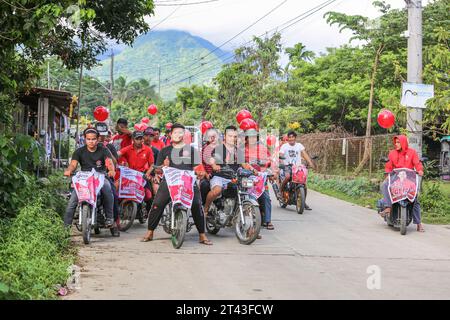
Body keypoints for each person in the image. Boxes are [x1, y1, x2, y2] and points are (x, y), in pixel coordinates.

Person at [141, 123, 212, 245]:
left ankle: (202, 234)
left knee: (196, 203)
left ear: (184, 135)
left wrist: (200, 172)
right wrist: (164, 165)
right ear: (170, 134)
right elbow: (157, 170)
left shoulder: (191, 150)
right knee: (158, 203)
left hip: (187, 182)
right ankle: (150, 231)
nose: (178, 135)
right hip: (169, 182)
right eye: (175, 132)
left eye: (180, 132)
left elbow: (198, 168)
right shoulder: (164, 151)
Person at [63, 128, 115, 228]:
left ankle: (109, 218)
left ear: (98, 139)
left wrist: (111, 170)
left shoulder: (103, 150)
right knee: (73, 199)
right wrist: (69, 170)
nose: (91, 141)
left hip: (100, 176)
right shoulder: (79, 151)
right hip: (84, 177)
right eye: (89, 139)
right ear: (85, 139)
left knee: (107, 188)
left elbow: (109, 162)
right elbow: (73, 165)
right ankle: (66, 227)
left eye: (93, 139)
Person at [380, 135, 424, 232]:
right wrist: (387, 174)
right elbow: (389, 165)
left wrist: (420, 170)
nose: (396, 144)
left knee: (415, 199)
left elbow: (417, 163)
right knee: (385, 184)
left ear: (403, 142)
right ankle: (388, 207)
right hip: (396, 178)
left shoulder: (412, 153)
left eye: (398, 142)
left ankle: (419, 224)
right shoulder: (392, 153)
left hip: (409, 179)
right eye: (395, 142)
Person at [244, 129, 273, 230]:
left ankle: (268, 220)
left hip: (261, 178)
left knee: (266, 197)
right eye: (249, 137)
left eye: (253, 137)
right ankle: (249, 219)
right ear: (246, 139)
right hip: (247, 178)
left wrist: (270, 169)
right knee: (248, 197)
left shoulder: (263, 148)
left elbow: (269, 161)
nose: (251, 139)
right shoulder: (242, 149)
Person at [278, 131, 316, 210]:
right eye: (290, 137)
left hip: (297, 167)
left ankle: (302, 201)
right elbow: (281, 155)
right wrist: (282, 163)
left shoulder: (299, 146)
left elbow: (304, 154)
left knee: (303, 183)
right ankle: (280, 192)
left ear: (295, 138)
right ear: (288, 138)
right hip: (287, 166)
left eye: (293, 137)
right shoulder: (284, 146)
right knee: (288, 177)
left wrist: (310, 163)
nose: (291, 138)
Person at [95, 122, 120, 236]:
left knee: (113, 195)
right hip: (89, 177)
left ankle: (113, 222)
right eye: (98, 135)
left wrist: (105, 149)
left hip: (104, 175)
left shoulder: (109, 147)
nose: (101, 137)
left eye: (103, 135)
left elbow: (114, 163)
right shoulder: (87, 145)